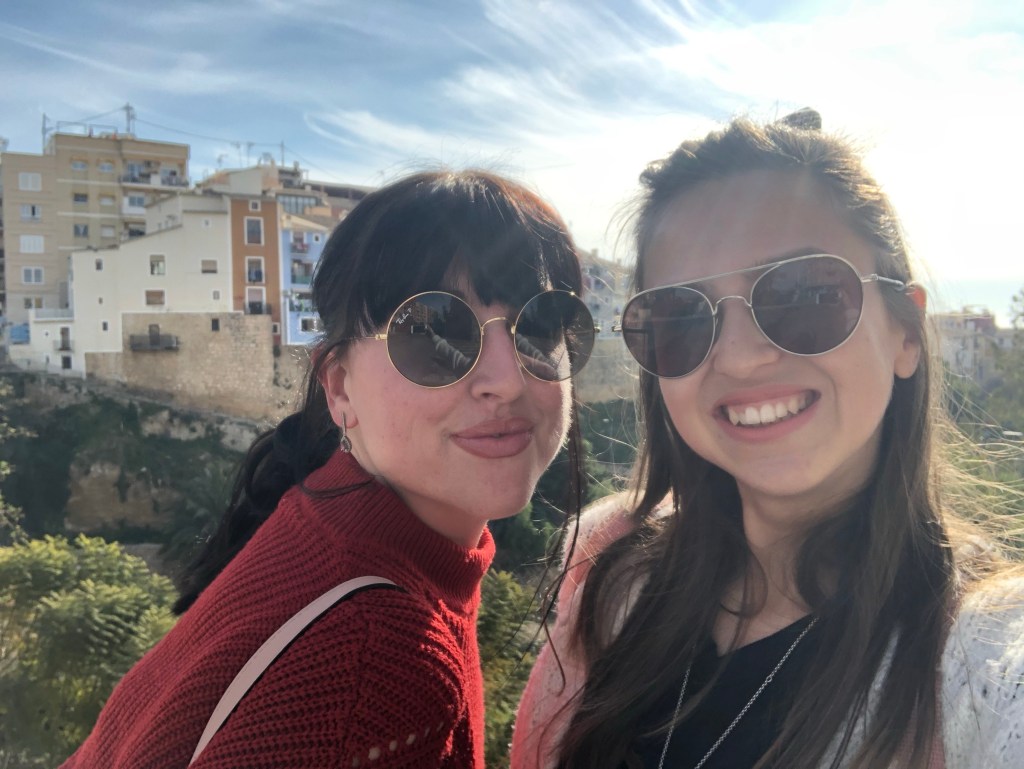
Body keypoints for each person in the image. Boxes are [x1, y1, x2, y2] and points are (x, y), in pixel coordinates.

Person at [511, 111, 1024, 769]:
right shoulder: (615, 578)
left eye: (804, 293)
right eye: (681, 316)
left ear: (903, 330)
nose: (742, 357)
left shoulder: (984, 665)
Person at [61, 169, 596, 769]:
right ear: (339, 387)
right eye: (433, 332)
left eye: (542, 326)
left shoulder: (319, 523)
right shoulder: (378, 660)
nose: (507, 379)